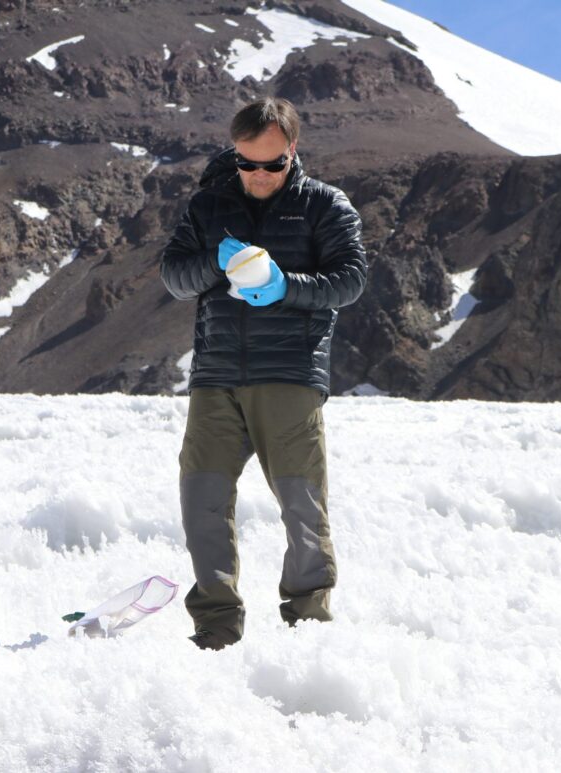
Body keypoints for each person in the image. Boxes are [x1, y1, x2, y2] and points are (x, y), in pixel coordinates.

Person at [159, 97, 367, 651]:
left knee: (301, 503)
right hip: (216, 375)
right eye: (246, 163)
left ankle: (307, 619)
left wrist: (285, 286)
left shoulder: (325, 205)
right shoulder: (209, 206)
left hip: (290, 374)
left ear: (292, 152)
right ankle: (216, 624)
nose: (257, 175)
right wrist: (214, 263)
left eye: (271, 165)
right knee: (201, 499)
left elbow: (350, 280)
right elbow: (175, 276)